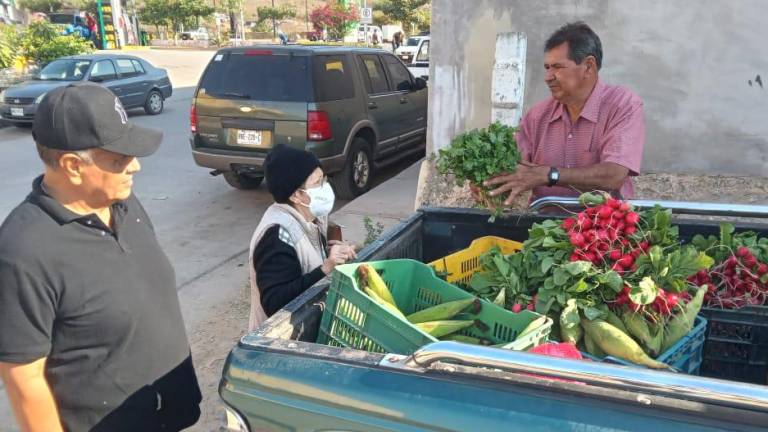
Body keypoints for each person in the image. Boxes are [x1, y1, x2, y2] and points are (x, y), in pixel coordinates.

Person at [0, 83, 201, 431]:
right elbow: (24, 379)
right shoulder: (24, 252)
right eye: (120, 160)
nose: (135, 166)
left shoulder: (122, 204)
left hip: (167, 412)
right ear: (72, 166)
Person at [480, 22, 645, 206]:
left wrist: (549, 175)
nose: (548, 77)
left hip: (604, 228)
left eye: (557, 67)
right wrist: (487, 183)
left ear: (588, 66)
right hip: (543, 229)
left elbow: (614, 175)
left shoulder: (623, 105)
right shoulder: (537, 116)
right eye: (547, 67)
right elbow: (515, 171)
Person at [249, 144, 356, 330]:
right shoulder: (276, 235)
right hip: (280, 340)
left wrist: (330, 252)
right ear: (296, 195)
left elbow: (304, 262)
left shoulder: (312, 217)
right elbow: (276, 302)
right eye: (317, 183)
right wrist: (326, 267)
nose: (325, 187)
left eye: (324, 179)